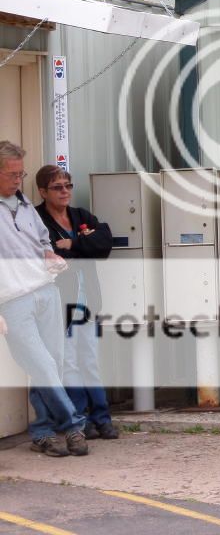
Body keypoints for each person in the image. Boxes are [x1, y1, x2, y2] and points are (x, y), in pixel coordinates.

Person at [0, 140, 88, 457]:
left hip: (45, 291)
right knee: (43, 365)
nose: (18, 181)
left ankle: (47, 431)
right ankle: (68, 428)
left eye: (21, 174)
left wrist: (49, 254)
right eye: (12, 174)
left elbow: (41, 239)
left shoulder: (21, 203)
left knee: (56, 364)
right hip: (12, 302)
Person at [35, 165, 119, 441]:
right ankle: (80, 420)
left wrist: (73, 246)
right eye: (58, 187)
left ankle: (101, 418)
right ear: (43, 192)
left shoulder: (80, 215)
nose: (65, 191)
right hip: (61, 303)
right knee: (69, 363)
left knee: (91, 361)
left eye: (68, 185)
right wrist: (84, 245)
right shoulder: (39, 220)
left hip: (87, 300)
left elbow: (105, 242)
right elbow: (47, 258)